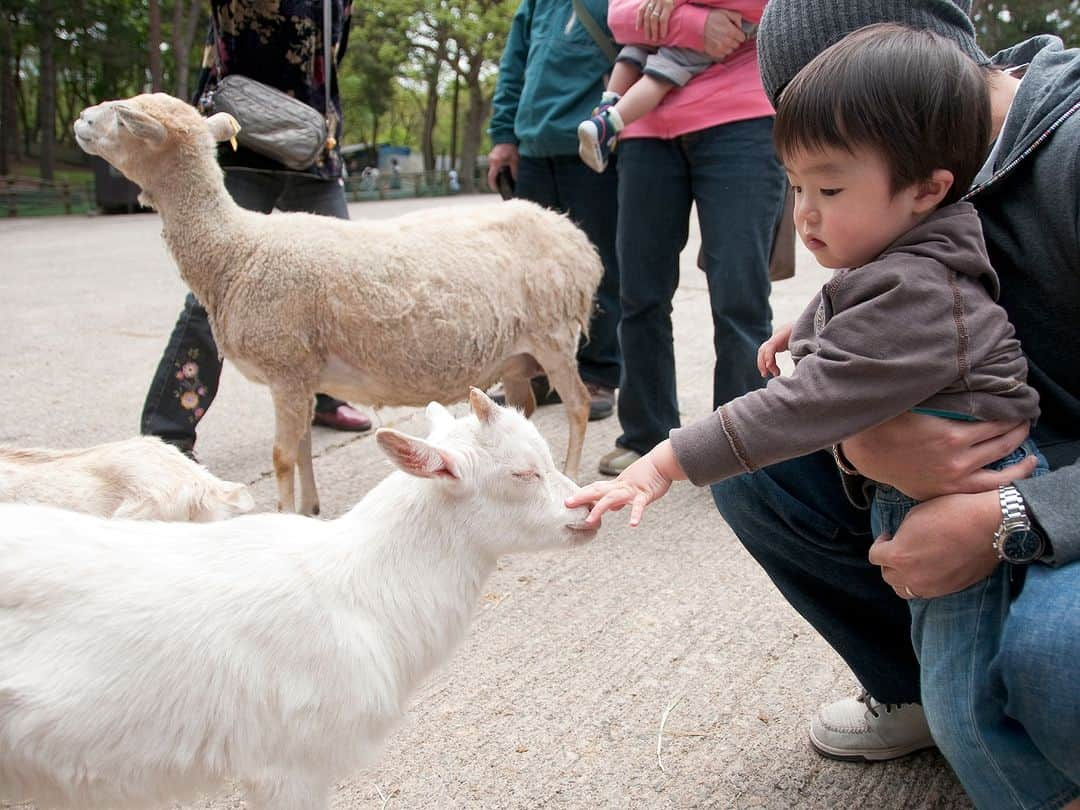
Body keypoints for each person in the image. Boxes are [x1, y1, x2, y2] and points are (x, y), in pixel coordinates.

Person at [570, 22, 1080, 805]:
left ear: (927, 184)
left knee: (973, 704)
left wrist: (666, 458)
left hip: (987, 492)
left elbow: (803, 402)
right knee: (944, 677)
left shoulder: (948, 259)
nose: (804, 216)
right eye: (795, 186)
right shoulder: (918, 236)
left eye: (830, 189)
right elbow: (864, 298)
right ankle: (913, 693)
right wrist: (812, 330)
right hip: (952, 474)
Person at [141, 0, 371, 457]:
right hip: (239, 144)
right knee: (217, 297)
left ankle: (324, 396)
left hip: (312, 146)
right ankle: (167, 436)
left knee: (343, 281)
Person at [595, 0, 786, 476]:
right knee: (639, 295)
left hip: (740, 121)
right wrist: (694, 21)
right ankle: (646, 435)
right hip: (645, 129)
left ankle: (739, 446)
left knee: (739, 295)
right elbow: (618, 16)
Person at [486, 0, 622, 421]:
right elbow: (513, 67)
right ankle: (539, 371)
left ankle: (598, 372)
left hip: (593, 150)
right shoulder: (536, 5)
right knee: (532, 274)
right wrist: (503, 135)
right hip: (534, 150)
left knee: (597, 266)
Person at [577, 0, 757, 173]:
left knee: (637, 53)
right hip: (649, 132)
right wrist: (693, 23)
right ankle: (607, 123)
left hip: (735, 115)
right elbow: (618, 16)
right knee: (660, 72)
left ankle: (605, 112)